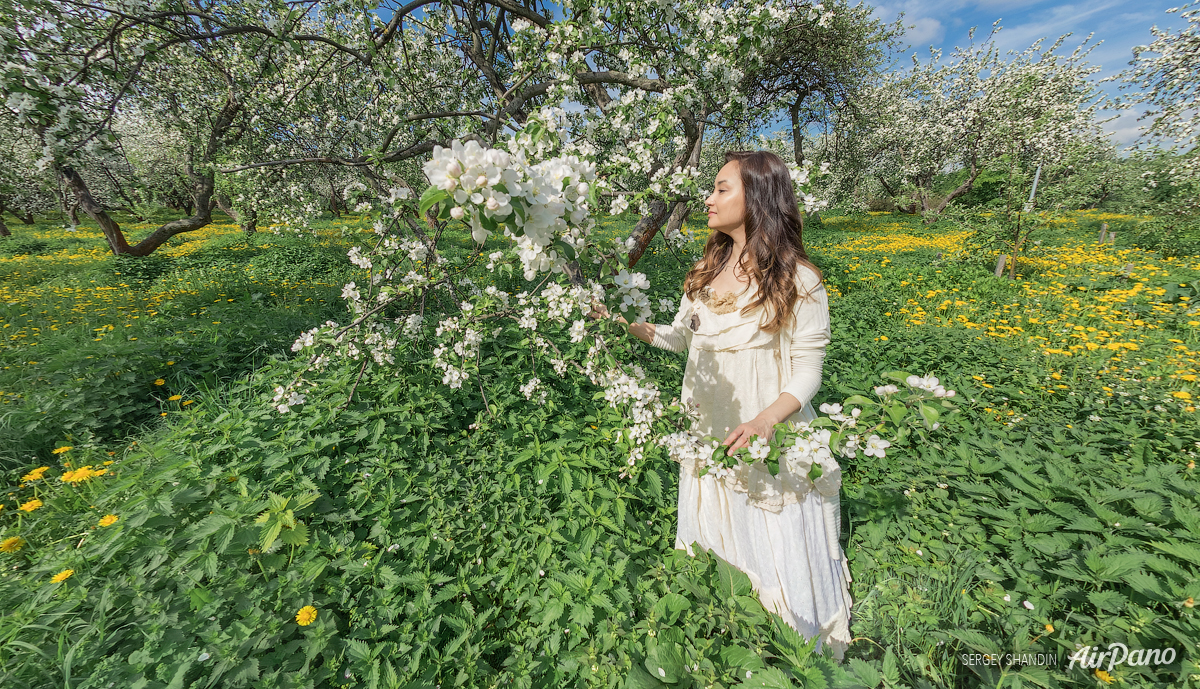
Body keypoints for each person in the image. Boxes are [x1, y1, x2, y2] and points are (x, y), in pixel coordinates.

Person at [590, 150, 852, 661]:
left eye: (721, 189)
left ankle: (784, 635)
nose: (708, 200)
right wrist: (617, 321)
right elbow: (681, 340)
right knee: (719, 509)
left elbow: (807, 371)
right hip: (707, 422)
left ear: (757, 197)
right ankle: (723, 619)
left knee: (767, 517)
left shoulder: (799, 279)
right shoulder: (706, 271)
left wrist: (765, 420)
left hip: (762, 428)